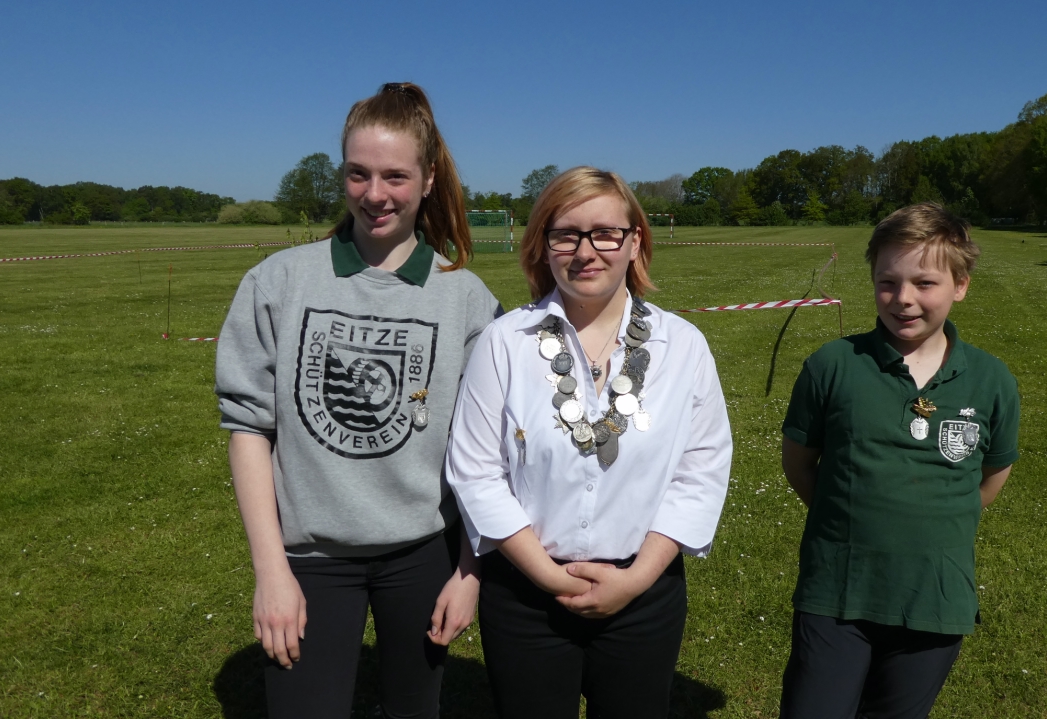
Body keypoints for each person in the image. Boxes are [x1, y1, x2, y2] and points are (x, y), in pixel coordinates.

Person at [214, 82, 502, 719]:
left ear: (428, 179)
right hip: (309, 556)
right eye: (358, 173)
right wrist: (271, 571)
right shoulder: (279, 280)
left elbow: (487, 451)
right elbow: (249, 428)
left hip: (423, 553)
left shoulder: (467, 299)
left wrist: (469, 570)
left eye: (395, 176)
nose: (375, 194)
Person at [445, 167, 733, 719]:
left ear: (635, 242)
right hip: (526, 597)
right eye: (566, 235)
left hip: (643, 595)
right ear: (543, 245)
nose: (585, 251)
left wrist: (636, 580)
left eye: (605, 233)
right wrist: (548, 576)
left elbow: (702, 470)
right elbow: (476, 471)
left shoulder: (683, 346)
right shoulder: (505, 342)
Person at [777, 203, 1020, 719]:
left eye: (924, 283)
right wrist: (847, 516)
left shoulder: (991, 379)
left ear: (960, 285)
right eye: (887, 282)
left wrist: (930, 525)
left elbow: (989, 480)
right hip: (837, 594)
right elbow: (799, 465)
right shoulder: (833, 366)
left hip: (935, 598)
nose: (904, 298)